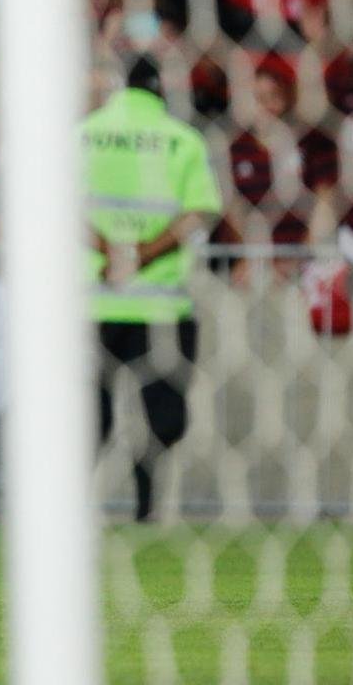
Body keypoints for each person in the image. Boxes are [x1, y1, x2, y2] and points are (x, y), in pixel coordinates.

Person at [83, 57, 222, 522]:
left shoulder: (82, 134)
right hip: (160, 303)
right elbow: (198, 212)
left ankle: (71, 513)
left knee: (88, 417)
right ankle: (147, 510)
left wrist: (108, 251)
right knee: (161, 420)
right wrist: (141, 255)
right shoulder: (182, 138)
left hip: (93, 301)